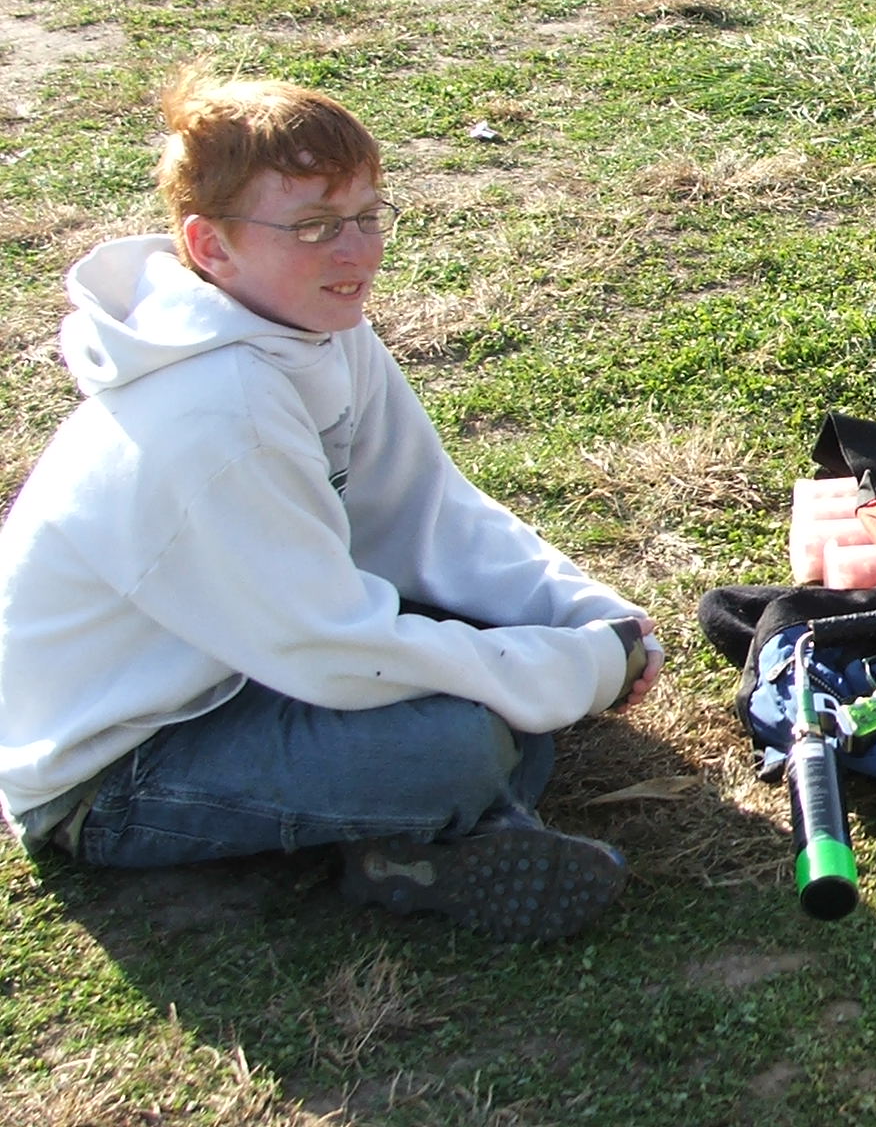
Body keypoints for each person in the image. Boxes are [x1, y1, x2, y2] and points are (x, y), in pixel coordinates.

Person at [0, 70, 662, 941]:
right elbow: (327, 649)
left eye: (368, 216)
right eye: (313, 226)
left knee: (495, 673)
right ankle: (427, 842)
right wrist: (570, 672)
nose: (357, 253)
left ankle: (425, 830)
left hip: (245, 659)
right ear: (210, 246)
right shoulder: (214, 413)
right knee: (459, 746)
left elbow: (423, 511)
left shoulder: (315, 325)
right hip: (117, 763)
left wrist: (580, 615)